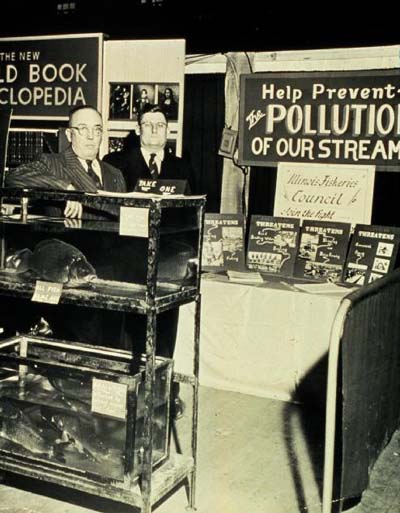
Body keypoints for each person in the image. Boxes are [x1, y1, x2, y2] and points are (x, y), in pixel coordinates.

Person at [5, 105, 127, 348]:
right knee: (80, 342)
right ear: (70, 135)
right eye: (83, 129)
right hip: (67, 271)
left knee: (110, 345)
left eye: (97, 129)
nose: (92, 136)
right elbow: (15, 177)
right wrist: (67, 189)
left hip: (109, 274)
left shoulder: (115, 174)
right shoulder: (52, 162)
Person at [104, 104, 194, 419]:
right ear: (138, 129)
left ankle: (163, 395)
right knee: (127, 330)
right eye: (148, 124)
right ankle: (127, 396)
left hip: (169, 262)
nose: (154, 130)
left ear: (168, 130)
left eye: (160, 124)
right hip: (126, 260)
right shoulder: (114, 163)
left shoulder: (183, 168)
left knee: (165, 329)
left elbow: (190, 216)